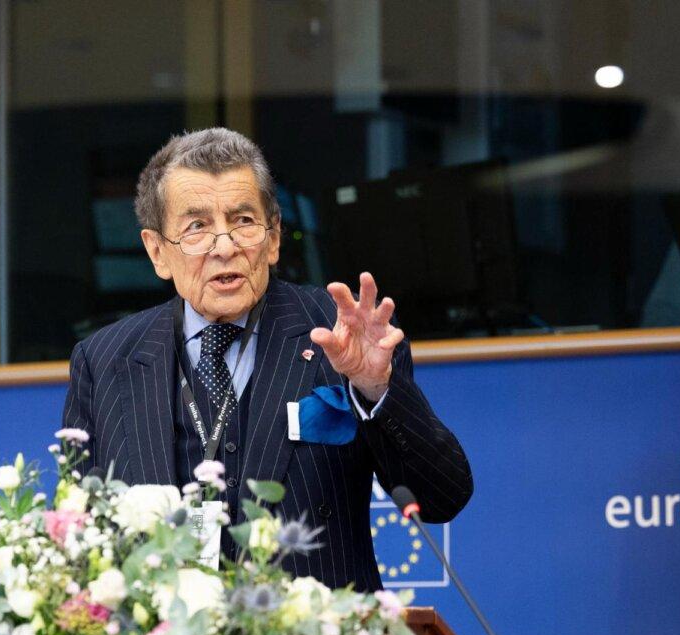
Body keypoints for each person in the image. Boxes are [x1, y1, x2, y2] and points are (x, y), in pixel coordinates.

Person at [62, 128, 472, 590]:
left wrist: (374, 389)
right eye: (196, 227)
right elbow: (80, 542)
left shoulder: (344, 334)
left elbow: (441, 497)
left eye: (242, 221)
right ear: (158, 251)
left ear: (273, 238)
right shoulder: (104, 360)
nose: (224, 246)